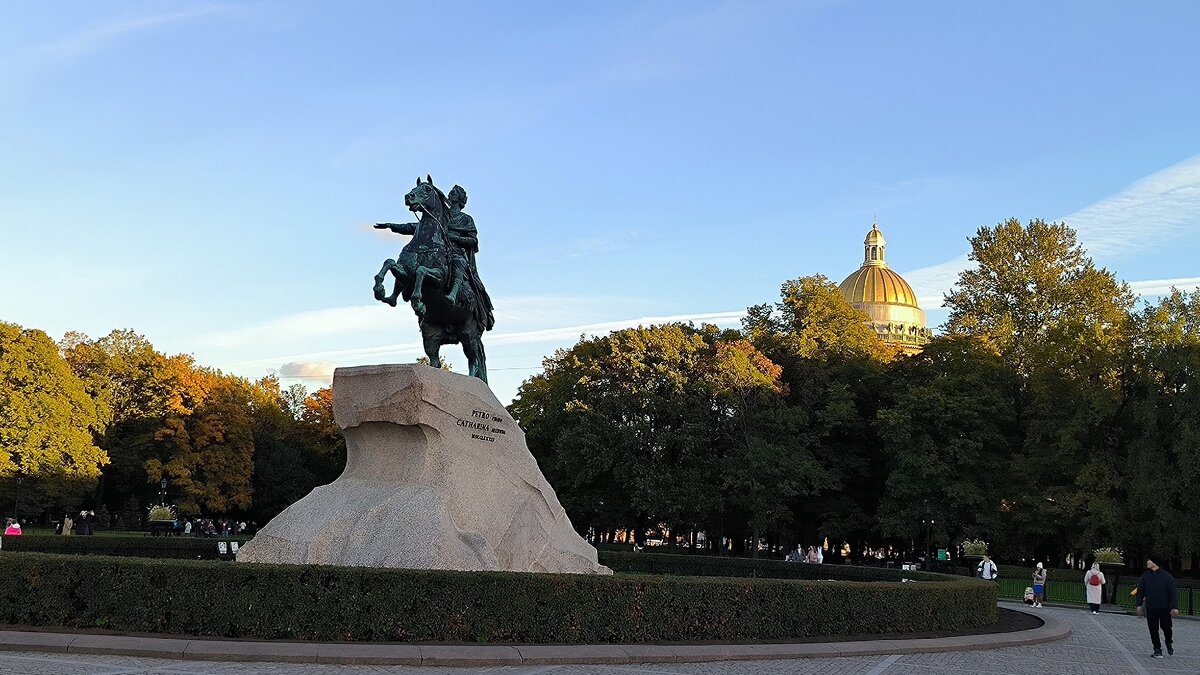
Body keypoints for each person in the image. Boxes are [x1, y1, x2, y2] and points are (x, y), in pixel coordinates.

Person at [1136, 555, 1178, 658]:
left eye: (1149, 560)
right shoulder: (1145, 576)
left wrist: (1175, 607)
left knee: (1167, 627)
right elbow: (1140, 591)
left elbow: (1173, 592)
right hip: (1151, 607)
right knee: (1153, 628)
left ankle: (1168, 641)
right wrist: (1139, 604)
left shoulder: (1167, 576)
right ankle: (1157, 649)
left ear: (1155, 562)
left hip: (1164, 607)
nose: (1147, 562)